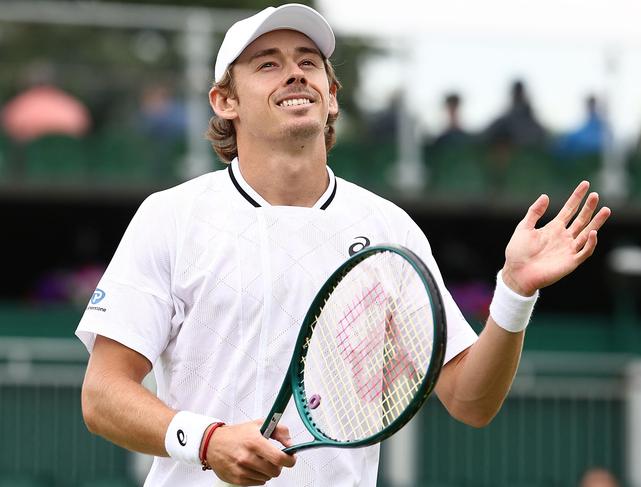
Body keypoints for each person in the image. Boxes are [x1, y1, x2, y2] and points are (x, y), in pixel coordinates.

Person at [76, 5, 611, 487]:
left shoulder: (389, 227)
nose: (295, 72)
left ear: (331, 95)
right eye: (267, 63)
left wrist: (514, 295)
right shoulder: (170, 217)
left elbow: (469, 400)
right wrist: (208, 440)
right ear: (225, 101)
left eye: (309, 62)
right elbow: (102, 396)